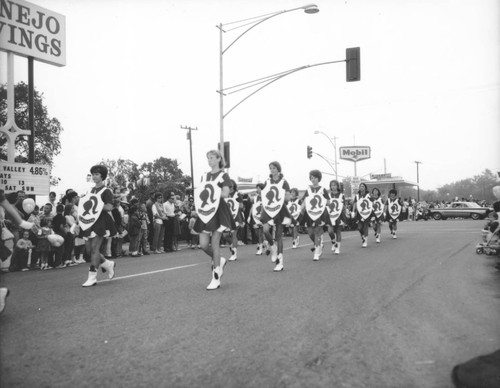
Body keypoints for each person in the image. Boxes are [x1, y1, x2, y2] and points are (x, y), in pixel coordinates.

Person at [193, 149, 233, 290]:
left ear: (218, 159)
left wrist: (215, 190)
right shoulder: (204, 176)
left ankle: (216, 276)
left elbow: (226, 193)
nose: (209, 160)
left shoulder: (223, 176)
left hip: (219, 211)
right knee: (203, 245)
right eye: (208, 158)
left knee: (215, 242)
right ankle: (220, 260)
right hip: (206, 211)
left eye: (212, 158)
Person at [79, 165, 117, 287]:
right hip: (89, 222)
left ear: (102, 176)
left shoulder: (107, 191)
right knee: (89, 250)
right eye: (93, 174)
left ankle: (92, 277)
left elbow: (109, 207)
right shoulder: (90, 190)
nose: (94, 176)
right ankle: (107, 263)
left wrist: (96, 205)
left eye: (97, 174)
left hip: (101, 221)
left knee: (95, 249)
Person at [260, 161, 292, 271]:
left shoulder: (284, 182)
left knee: (279, 236)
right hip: (268, 208)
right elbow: (264, 196)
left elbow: (287, 198)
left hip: (279, 209)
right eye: (270, 168)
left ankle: (280, 262)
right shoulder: (267, 181)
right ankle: (272, 246)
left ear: (278, 169)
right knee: (265, 230)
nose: (272, 170)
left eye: (274, 168)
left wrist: (282, 197)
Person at [301, 170, 330, 261]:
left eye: (315, 177)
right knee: (310, 233)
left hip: (320, 213)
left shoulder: (323, 189)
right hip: (309, 214)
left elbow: (328, 202)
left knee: (317, 231)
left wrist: (323, 202)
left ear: (319, 178)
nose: (313, 179)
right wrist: (301, 209)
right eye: (312, 178)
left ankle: (316, 252)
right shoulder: (308, 190)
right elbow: (304, 201)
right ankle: (319, 244)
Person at [225, 179, 244, 262]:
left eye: (232, 184)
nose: (230, 186)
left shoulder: (237, 194)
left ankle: (234, 253)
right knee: (225, 235)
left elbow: (241, 206)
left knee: (233, 234)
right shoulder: (225, 194)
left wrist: (234, 202)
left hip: (236, 216)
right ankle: (232, 244)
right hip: (226, 216)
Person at [326, 180, 345, 255]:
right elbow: (326, 205)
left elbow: (343, 205)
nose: (333, 187)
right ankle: (333, 242)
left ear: (337, 186)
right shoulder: (328, 195)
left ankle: (338, 248)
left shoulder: (341, 195)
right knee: (330, 231)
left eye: (334, 185)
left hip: (339, 215)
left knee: (338, 231)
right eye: (332, 185)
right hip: (330, 215)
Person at [352, 182, 373, 248]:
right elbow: (355, 204)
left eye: (363, 186)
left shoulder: (368, 195)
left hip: (367, 213)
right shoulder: (357, 196)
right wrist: (353, 211)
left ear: (365, 188)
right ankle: (363, 236)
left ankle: (365, 241)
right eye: (360, 186)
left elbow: (371, 203)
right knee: (359, 227)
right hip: (359, 213)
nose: (361, 187)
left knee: (365, 226)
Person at [248, 183, 265, 255]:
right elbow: (253, 207)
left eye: (259, 188)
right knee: (256, 233)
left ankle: (261, 248)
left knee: (261, 232)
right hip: (256, 217)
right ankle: (265, 243)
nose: (257, 189)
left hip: (263, 216)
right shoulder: (255, 197)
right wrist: (249, 216)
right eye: (257, 188)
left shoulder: (265, 197)